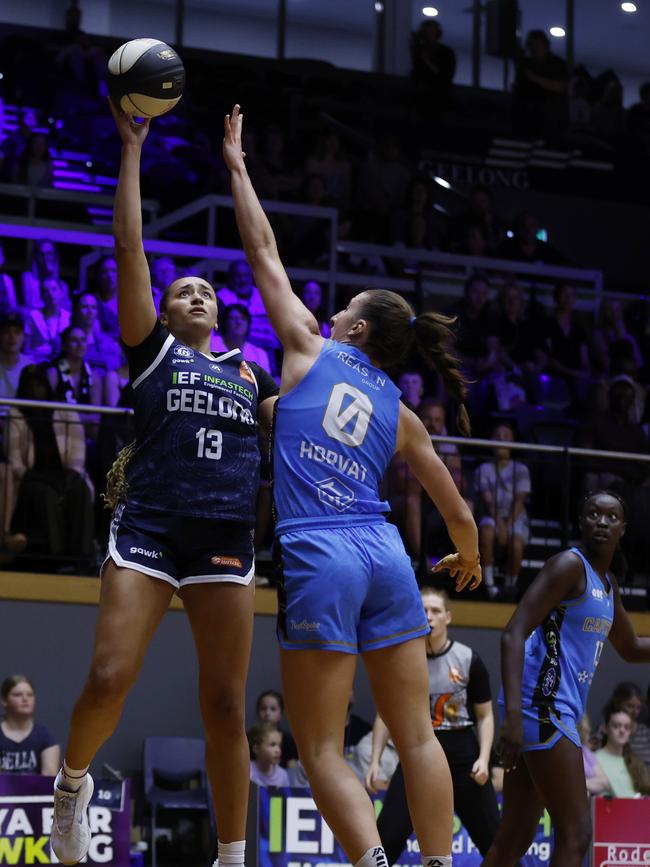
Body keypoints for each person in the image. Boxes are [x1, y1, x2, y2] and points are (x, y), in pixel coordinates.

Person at [224, 103, 481, 867]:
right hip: (385, 552)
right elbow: (457, 508)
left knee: (323, 746)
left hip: (321, 551)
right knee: (416, 734)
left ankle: (372, 862)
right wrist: (465, 558)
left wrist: (238, 166)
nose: (329, 310)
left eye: (343, 308)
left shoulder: (307, 346)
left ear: (356, 329)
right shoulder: (401, 412)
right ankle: (437, 862)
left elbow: (262, 249)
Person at [49, 102, 278, 867]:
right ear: (164, 310)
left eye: (208, 292)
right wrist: (131, 152)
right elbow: (129, 245)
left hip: (222, 536)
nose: (198, 296)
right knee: (110, 676)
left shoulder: (251, 372)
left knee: (223, 703)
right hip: (149, 524)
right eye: (185, 291)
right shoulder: (150, 352)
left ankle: (233, 856)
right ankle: (72, 787)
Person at [482, 491, 650, 867]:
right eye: (593, 514)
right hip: (542, 707)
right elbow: (513, 632)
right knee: (576, 833)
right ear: (581, 521)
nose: (602, 522)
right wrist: (510, 718)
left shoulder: (608, 587)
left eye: (611, 517)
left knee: (513, 840)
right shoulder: (568, 567)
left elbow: (631, 646)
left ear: (623, 528)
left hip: (550, 710)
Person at [367, 587, 499, 862]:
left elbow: (485, 716)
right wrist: (375, 761)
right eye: (424, 610)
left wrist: (485, 759)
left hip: (463, 755)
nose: (429, 616)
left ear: (448, 617)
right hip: (417, 752)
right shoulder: (401, 662)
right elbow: (385, 714)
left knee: (496, 844)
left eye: (436, 611)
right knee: (386, 838)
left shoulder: (468, 660)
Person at [7, 363, 94, 558]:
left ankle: (82, 556)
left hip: (65, 472)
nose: (34, 391)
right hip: (32, 477)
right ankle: (55, 556)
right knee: (46, 494)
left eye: (39, 385)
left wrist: (71, 475)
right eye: (29, 385)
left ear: (47, 386)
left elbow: (78, 453)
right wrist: (48, 481)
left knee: (79, 489)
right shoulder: (17, 414)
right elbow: (16, 464)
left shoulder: (64, 410)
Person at [476, 423, 531, 598]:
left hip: (516, 516)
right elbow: (488, 500)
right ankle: (489, 585)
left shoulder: (521, 469)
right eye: (497, 436)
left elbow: (520, 500)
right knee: (486, 532)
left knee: (516, 544)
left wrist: (507, 526)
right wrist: (499, 524)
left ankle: (509, 586)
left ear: (513, 441)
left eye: (506, 435)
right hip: (491, 513)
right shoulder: (483, 469)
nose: (501, 439)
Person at [0, 675, 60, 775]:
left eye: (30, 695)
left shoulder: (44, 736)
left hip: (36, 791)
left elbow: (49, 780)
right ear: (4, 701)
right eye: (17, 694)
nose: (25, 699)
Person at [594, 703, 650, 797]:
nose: (622, 731)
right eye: (616, 726)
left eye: (627, 727)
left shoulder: (636, 763)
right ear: (605, 728)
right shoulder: (593, 759)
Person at [210, 303, 272, 375]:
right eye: (233, 318)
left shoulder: (260, 354)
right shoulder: (211, 344)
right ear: (224, 323)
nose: (238, 322)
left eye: (242, 319)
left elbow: (264, 384)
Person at [410, 20, 457, 109]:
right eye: (426, 33)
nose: (429, 36)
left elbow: (445, 76)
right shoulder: (420, 51)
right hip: (421, 99)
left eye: (431, 32)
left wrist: (428, 61)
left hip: (439, 98)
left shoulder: (446, 52)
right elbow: (416, 73)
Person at [26, 276, 72, 361]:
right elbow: (26, 348)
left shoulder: (68, 317)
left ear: (61, 293)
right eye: (46, 291)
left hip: (60, 360)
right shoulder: (33, 316)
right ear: (41, 295)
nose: (50, 293)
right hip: (37, 360)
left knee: (67, 374)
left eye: (54, 289)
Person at [607, 682, 650, 768]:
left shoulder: (646, 733)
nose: (635, 712)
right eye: (630, 706)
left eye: (638, 707)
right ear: (617, 705)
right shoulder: (606, 731)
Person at [255, 689, 298, 766]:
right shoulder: (251, 738)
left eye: (273, 709)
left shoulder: (288, 740)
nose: (267, 713)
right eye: (263, 708)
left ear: (281, 713)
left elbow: (294, 763)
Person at [0, 312, 34, 400]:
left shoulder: (30, 367)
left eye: (17, 332)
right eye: (6, 332)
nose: (12, 337)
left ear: (24, 337)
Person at [248, 722, 290, 788]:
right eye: (272, 745)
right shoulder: (247, 772)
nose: (278, 750)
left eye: (279, 745)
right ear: (256, 749)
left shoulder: (282, 775)